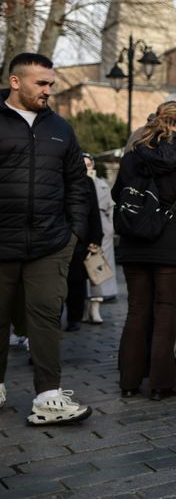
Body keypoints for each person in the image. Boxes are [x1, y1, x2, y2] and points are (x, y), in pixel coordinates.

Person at [0, 52, 93, 425]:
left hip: (50, 243)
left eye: (51, 84)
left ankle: (48, 397)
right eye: (41, 83)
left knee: (45, 316)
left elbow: (77, 184)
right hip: (1, 242)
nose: (48, 91)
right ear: (16, 81)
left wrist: (73, 232)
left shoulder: (61, 128)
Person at [113, 101, 176, 401]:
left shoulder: (134, 153)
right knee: (166, 311)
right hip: (170, 240)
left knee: (137, 310)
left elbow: (118, 193)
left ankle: (129, 382)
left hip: (133, 240)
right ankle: (161, 384)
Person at [64, 154, 104, 332]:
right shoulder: (58, 178)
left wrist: (96, 239)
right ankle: (55, 316)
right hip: (58, 237)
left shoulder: (87, 183)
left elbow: (94, 213)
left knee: (77, 281)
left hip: (81, 239)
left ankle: (75, 318)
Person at [83, 153, 116, 321]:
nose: (87, 167)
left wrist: (109, 230)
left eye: (89, 164)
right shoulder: (75, 183)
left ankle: (95, 306)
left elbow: (111, 210)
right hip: (82, 231)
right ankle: (83, 308)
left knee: (98, 270)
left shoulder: (102, 185)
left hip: (102, 233)